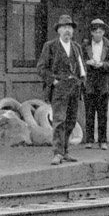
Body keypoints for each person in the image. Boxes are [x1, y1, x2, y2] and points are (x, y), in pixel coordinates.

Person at [36, 14, 87, 165]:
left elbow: (82, 67)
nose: (67, 30)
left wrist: (81, 81)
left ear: (73, 31)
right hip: (59, 89)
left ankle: (65, 151)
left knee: (71, 121)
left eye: (69, 27)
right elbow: (41, 68)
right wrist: (54, 81)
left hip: (74, 88)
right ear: (58, 30)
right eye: (64, 27)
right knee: (59, 121)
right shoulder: (50, 46)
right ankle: (57, 153)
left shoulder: (76, 47)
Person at [82, 18, 109, 150]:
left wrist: (102, 64)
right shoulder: (84, 46)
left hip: (104, 83)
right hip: (89, 83)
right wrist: (87, 63)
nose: (98, 34)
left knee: (103, 113)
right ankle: (89, 140)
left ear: (103, 32)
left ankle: (103, 141)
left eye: (100, 32)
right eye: (95, 32)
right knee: (89, 113)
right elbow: (79, 62)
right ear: (91, 33)